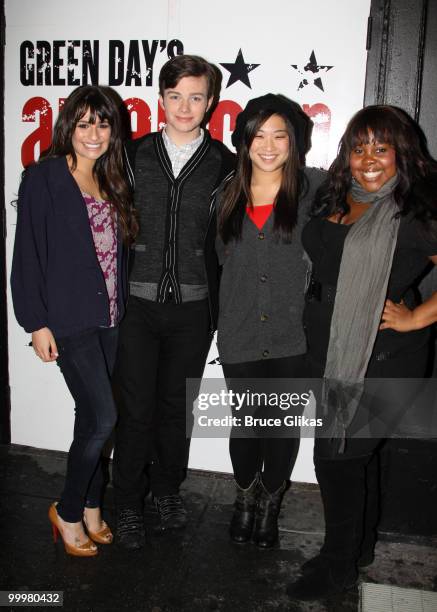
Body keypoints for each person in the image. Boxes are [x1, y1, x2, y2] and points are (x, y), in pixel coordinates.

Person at [286, 105, 437, 599]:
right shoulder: (339, 197)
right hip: (329, 349)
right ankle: (360, 546)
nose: (369, 159)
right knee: (353, 458)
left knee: (337, 459)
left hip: (380, 356)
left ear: (401, 154)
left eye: (382, 147)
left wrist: (416, 315)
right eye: (359, 147)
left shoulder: (414, 210)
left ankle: (338, 566)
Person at [112, 54, 235, 548]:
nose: (186, 106)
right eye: (175, 95)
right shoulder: (130, 154)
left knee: (174, 410)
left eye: (196, 96)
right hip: (136, 307)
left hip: (193, 308)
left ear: (211, 103)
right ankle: (126, 503)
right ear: (160, 99)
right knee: (135, 409)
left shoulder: (227, 164)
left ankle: (165, 491)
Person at [11, 85, 137, 557]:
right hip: (68, 319)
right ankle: (66, 511)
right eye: (84, 123)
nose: (94, 133)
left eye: (103, 124)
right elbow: (27, 255)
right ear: (68, 127)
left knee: (92, 416)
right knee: (105, 416)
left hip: (109, 317)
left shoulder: (110, 177)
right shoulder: (44, 177)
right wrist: (35, 322)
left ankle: (90, 504)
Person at [216, 94, 325, 548]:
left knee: (280, 429)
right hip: (239, 333)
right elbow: (216, 260)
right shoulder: (225, 193)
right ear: (244, 140)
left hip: (291, 336)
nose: (268, 145)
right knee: (244, 427)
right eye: (258, 134)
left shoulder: (315, 191)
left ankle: (270, 505)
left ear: (294, 142)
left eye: (279, 135)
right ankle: (245, 498)